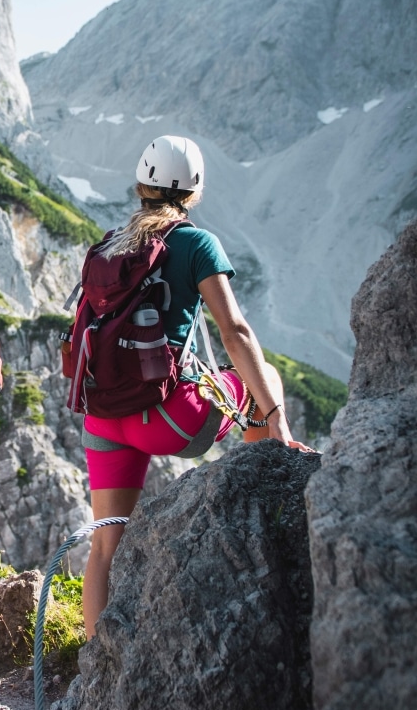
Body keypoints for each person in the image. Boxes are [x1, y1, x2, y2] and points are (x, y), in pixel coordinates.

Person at [80, 135, 313, 638]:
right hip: (166, 421)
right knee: (264, 378)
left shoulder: (110, 242)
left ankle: (91, 671)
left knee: (104, 548)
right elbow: (236, 333)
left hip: (102, 417)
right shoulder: (195, 243)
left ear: (141, 185)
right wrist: (277, 415)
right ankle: (260, 497)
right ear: (194, 191)